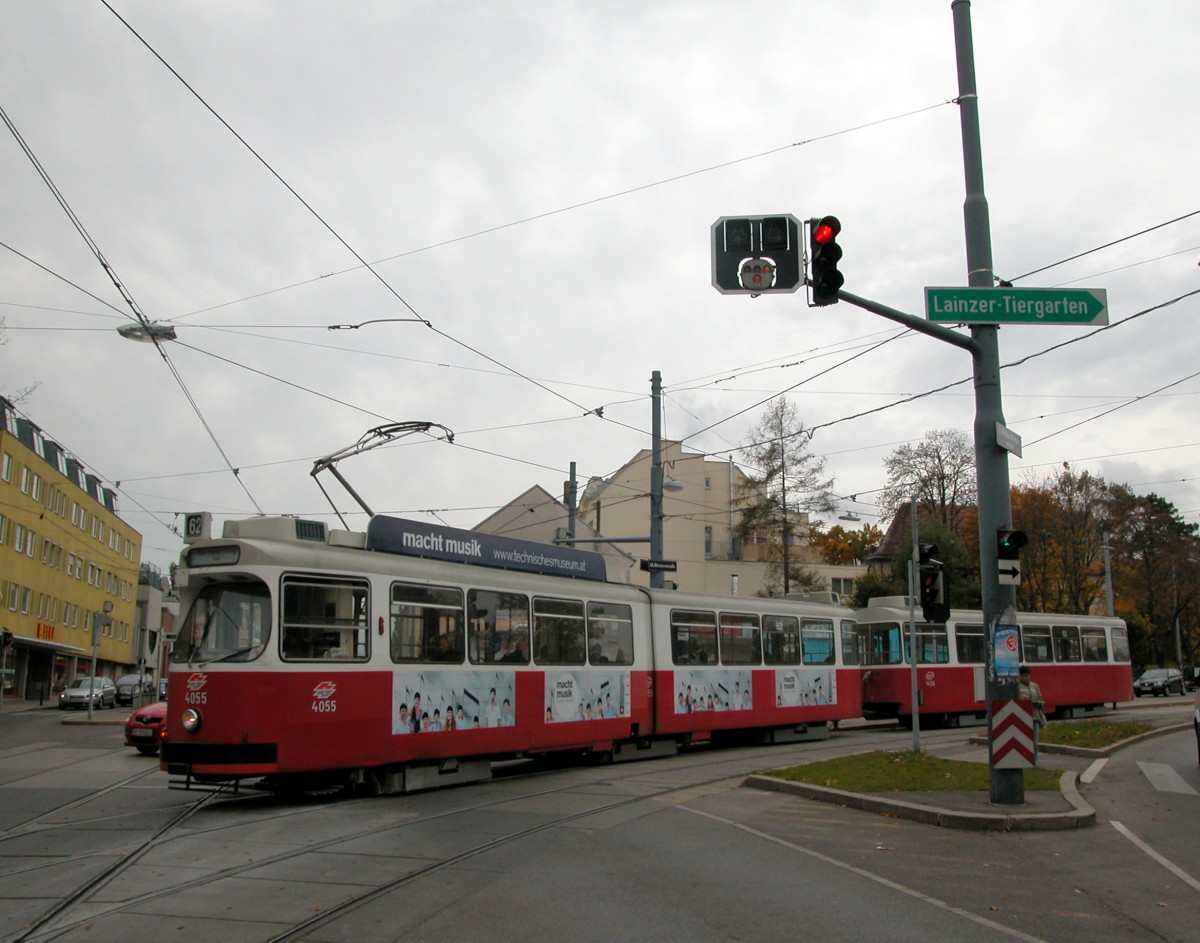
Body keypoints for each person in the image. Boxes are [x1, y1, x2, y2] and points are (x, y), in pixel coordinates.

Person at [1018, 665, 1047, 755]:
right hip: (1022, 717)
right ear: (1019, 676)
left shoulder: (1034, 686)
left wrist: (1040, 703)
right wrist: (1021, 698)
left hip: (1035, 716)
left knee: (1034, 743)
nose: (1026, 678)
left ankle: (1034, 760)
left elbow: (1041, 698)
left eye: (1027, 676)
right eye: (1023, 676)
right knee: (1023, 741)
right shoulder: (1016, 686)